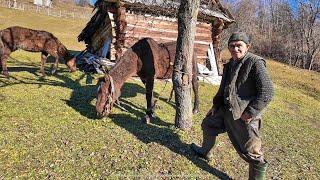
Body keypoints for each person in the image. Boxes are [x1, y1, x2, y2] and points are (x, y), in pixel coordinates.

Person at [191, 32, 274, 179]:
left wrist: (250, 112)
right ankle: (204, 151)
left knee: (252, 152)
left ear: (247, 47)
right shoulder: (230, 64)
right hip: (226, 109)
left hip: (244, 115)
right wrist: (215, 106)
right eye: (232, 46)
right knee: (209, 124)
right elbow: (223, 89)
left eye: (239, 45)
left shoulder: (255, 63)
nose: (235, 49)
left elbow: (267, 92)